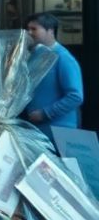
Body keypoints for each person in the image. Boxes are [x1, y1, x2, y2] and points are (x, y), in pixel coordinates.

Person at [24, 12, 83, 141]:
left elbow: (75, 96)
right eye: (28, 29)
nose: (29, 32)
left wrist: (45, 113)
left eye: (34, 29)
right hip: (39, 131)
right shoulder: (36, 56)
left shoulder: (63, 58)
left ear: (50, 31)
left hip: (60, 132)